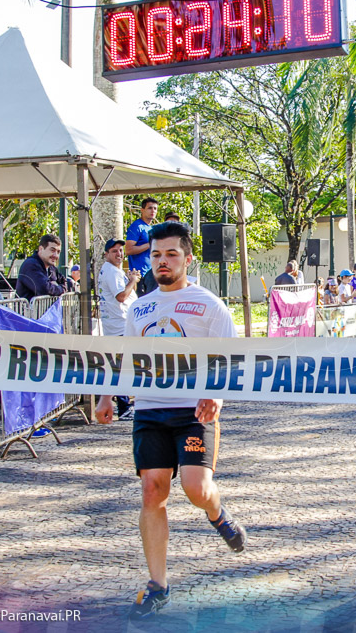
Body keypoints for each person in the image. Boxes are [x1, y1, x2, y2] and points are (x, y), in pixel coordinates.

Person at [95, 221, 247, 621]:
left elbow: (231, 358)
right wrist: (107, 395)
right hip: (149, 408)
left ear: (188, 258)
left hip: (193, 411)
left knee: (197, 489)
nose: (162, 262)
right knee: (152, 491)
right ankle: (157, 585)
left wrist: (214, 395)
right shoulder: (141, 307)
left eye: (171, 254)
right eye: (157, 255)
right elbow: (125, 357)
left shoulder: (210, 305)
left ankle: (217, 514)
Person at [96, 239, 141, 421]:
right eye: (114, 251)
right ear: (106, 254)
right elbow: (121, 296)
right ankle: (123, 406)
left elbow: (127, 292)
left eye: (121, 251)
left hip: (123, 323)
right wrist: (132, 280)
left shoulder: (115, 271)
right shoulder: (111, 271)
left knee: (123, 366)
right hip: (119, 326)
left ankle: (125, 403)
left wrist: (132, 280)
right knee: (122, 367)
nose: (119, 254)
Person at [15, 234, 73, 301]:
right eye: (52, 250)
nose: (56, 255)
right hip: (29, 311)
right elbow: (44, 289)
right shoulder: (30, 265)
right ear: (41, 249)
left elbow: (65, 282)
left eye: (58, 252)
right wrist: (59, 288)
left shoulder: (51, 268)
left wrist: (57, 288)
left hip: (46, 311)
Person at [125, 198, 159, 284]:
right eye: (150, 208)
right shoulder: (137, 226)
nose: (153, 211)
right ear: (142, 210)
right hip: (140, 275)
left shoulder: (152, 228)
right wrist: (150, 244)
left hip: (151, 273)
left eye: (155, 208)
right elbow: (128, 250)